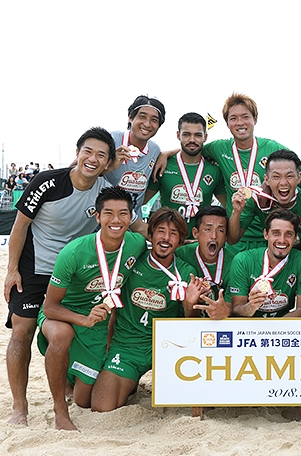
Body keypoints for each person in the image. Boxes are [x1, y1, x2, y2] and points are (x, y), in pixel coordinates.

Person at [3, 127, 116, 426]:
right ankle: (19, 407)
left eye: (101, 155)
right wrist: (11, 269)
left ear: (107, 164)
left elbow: (130, 223)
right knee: (21, 333)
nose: (92, 159)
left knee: (68, 333)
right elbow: (20, 226)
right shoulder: (47, 181)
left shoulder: (103, 191)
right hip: (33, 268)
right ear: (77, 153)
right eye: (88, 151)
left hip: (71, 274)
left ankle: (64, 392)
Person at [36, 187, 147, 430]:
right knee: (62, 335)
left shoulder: (136, 243)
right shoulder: (74, 252)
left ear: (131, 217)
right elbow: (50, 306)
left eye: (123, 214)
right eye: (108, 213)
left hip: (99, 321)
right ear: (97, 217)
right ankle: (60, 410)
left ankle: (69, 377)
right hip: (65, 313)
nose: (116, 220)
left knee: (84, 400)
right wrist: (82, 319)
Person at [155, 93, 301, 256]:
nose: (240, 123)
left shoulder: (271, 147)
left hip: (267, 236)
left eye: (245, 117)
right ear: (227, 123)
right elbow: (192, 147)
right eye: (233, 118)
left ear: (255, 119)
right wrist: (166, 154)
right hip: (235, 238)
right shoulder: (219, 148)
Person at [91, 208, 206, 412]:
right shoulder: (131, 261)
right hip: (127, 346)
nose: (166, 238)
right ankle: (130, 381)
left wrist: (190, 304)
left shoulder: (187, 272)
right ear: (150, 235)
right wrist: (108, 347)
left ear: (180, 241)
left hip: (165, 347)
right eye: (160, 231)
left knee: (191, 404)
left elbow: (191, 325)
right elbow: (113, 306)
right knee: (102, 408)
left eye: (173, 233)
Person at [228, 149, 301, 259]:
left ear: (299, 178)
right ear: (266, 180)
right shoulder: (257, 200)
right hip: (272, 260)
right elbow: (232, 239)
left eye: (289, 176)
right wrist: (236, 212)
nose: (283, 182)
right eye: (276, 176)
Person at [145, 112, 225, 232]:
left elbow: (228, 206)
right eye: (186, 134)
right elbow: (142, 201)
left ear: (205, 137)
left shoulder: (214, 170)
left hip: (199, 243)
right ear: (178, 135)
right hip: (170, 240)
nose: (192, 140)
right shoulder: (163, 165)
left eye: (198, 135)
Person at [229, 209, 301, 318]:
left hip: (283, 325)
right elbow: (236, 310)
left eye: (288, 234)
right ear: (266, 234)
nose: (282, 240)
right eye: (276, 233)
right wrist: (251, 306)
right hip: (249, 328)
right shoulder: (242, 260)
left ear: (295, 237)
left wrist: (274, 331)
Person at [105, 95, 165, 217]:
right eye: (142, 117)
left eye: (154, 120)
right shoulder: (112, 139)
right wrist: (110, 165)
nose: (147, 124)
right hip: (104, 218)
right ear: (130, 118)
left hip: (133, 220)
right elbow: (81, 167)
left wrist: (166, 154)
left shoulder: (155, 150)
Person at [175, 205, 234, 319]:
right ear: (195, 233)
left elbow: (231, 310)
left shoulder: (234, 263)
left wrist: (225, 311)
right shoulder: (180, 255)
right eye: (208, 229)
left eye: (220, 230)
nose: (214, 236)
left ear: (226, 236)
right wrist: (192, 302)